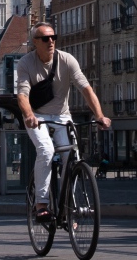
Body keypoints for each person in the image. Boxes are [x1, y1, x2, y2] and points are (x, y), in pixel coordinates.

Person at [16, 21, 111, 221]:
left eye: (53, 37)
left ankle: (68, 203)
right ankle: (41, 204)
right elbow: (22, 95)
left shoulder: (67, 60)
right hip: (37, 116)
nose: (51, 41)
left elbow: (86, 88)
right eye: (45, 38)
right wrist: (29, 115)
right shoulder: (25, 63)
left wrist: (99, 116)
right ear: (35, 42)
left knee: (72, 156)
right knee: (46, 150)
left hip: (62, 116)